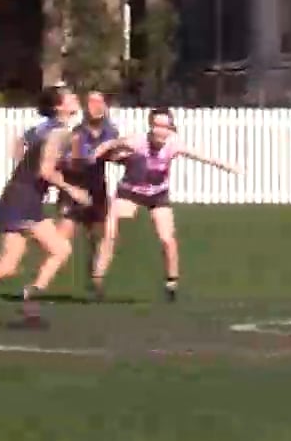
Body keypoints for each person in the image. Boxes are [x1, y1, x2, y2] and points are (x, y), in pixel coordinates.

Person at [0, 85, 81, 325]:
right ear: (59, 106)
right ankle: (30, 300)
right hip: (24, 201)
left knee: (7, 264)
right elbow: (45, 171)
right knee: (60, 250)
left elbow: (18, 146)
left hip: (18, 196)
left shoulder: (44, 128)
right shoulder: (59, 132)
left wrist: (26, 168)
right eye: (70, 96)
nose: (75, 98)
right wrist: (73, 190)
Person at [98, 107, 237, 302]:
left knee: (167, 239)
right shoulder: (137, 141)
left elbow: (201, 156)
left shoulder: (173, 144)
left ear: (171, 128)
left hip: (157, 194)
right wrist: (99, 153)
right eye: (157, 126)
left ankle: (171, 284)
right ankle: (98, 279)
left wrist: (226, 166)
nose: (161, 131)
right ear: (150, 126)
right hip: (130, 191)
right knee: (111, 233)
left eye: (166, 126)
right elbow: (111, 145)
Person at [59, 90, 122, 295]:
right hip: (75, 189)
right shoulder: (77, 133)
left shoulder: (111, 132)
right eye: (91, 102)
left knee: (105, 235)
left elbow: (115, 154)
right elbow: (67, 161)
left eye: (99, 102)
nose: (95, 106)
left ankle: (97, 278)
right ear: (85, 108)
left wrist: (118, 153)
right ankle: (37, 281)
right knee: (62, 239)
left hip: (97, 190)